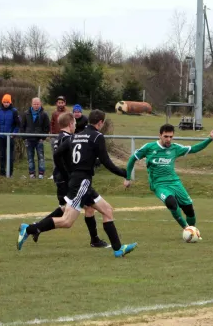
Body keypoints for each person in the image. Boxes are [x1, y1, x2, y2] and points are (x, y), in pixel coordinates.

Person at [17, 110, 137, 258]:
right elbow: (107, 162)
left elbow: (56, 154)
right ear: (101, 123)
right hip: (82, 183)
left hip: (81, 182)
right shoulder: (97, 136)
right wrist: (125, 173)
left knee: (107, 211)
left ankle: (118, 249)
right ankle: (29, 229)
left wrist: (67, 172)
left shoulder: (76, 136)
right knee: (67, 221)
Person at [29, 112, 109, 248]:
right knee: (67, 214)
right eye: (75, 124)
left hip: (65, 178)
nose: (76, 126)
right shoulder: (68, 139)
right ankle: (35, 228)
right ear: (70, 124)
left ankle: (94, 239)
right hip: (68, 179)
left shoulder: (60, 138)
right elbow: (69, 159)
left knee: (87, 208)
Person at [124, 124, 213, 237]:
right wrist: (128, 178)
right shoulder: (149, 147)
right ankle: (187, 229)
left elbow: (194, 149)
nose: (168, 139)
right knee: (171, 203)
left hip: (175, 183)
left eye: (171, 136)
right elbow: (132, 159)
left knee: (189, 209)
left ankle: (192, 232)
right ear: (160, 135)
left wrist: (210, 139)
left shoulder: (175, 148)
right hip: (159, 185)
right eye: (166, 136)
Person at [20, 97, 49, 179]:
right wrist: (24, 137)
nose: (36, 106)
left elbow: (47, 127)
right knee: (30, 158)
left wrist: (43, 138)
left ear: (40, 104)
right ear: (31, 104)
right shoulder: (26, 114)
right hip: (29, 139)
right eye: (34, 104)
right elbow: (22, 127)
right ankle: (32, 174)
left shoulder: (44, 114)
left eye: (37, 104)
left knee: (41, 157)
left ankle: (41, 174)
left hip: (39, 139)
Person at [0, 94, 20, 176]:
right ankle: (2, 172)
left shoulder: (14, 111)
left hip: (10, 137)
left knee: (10, 155)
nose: (6, 104)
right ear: (2, 102)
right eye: (4, 102)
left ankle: (10, 172)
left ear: (10, 102)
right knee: (2, 155)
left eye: (7, 102)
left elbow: (17, 124)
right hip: (1, 136)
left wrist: (14, 134)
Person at [49, 96, 67, 179]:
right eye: (59, 103)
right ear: (56, 103)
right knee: (55, 155)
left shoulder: (67, 113)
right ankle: (55, 173)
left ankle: (64, 172)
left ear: (65, 103)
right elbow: (51, 124)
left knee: (64, 156)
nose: (60, 104)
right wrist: (52, 135)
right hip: (55, 137)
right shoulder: (54, 113)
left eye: (62, 103)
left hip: (64, 137)